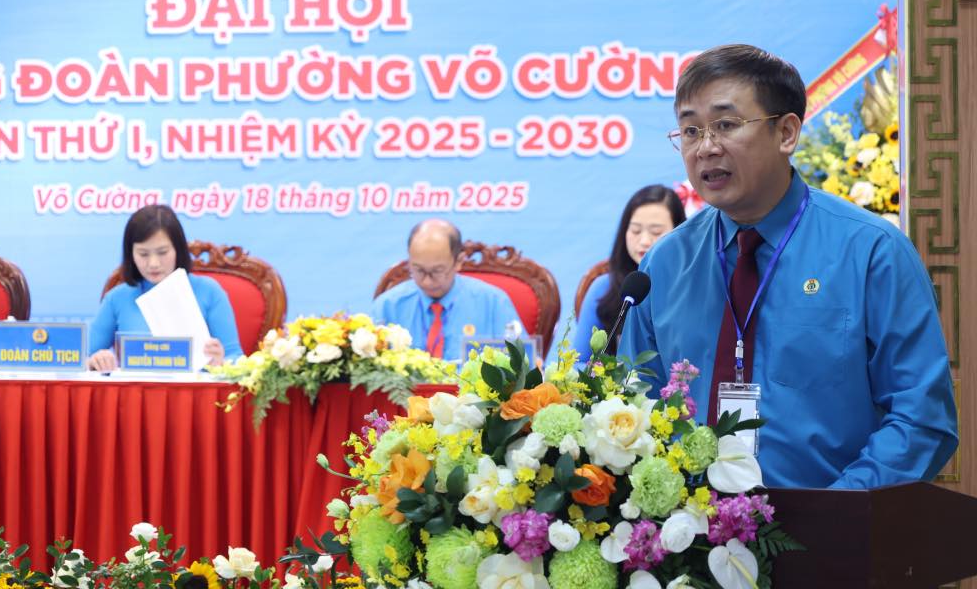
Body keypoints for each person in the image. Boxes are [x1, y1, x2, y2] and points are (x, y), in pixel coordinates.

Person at [619, 43, 957, 489]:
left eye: (725, 124)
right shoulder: (664, 263)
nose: (705, 147)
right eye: (690, 130)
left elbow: (921, 418)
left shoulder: (872, 252)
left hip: (835, 538)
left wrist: (837, 514)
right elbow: (630, 404)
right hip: (691, 543)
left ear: (787, 133)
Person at [86, 204, 242, 371]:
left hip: (194, 395)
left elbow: (237, 358)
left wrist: (222, 363)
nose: (153, 263)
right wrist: (94, 361)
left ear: (178, 250)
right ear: (131, 254)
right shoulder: (117, 298)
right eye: (143, 254)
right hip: (135, 395)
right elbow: (80, 357)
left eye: (162, 252)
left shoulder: (209, 291)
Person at [548, 184, 686, 365]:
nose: (644, 241)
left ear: (680, 232)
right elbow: (579, 363)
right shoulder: (604, 288)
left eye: (656, 232)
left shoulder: (691, 287)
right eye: (636, 231)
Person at [371, 219, 521, 362]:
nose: (427, 281)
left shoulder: (493, 303)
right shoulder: (388, 306)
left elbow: (522, 365)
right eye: (418, 270)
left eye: (437, 271)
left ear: (459, 262)